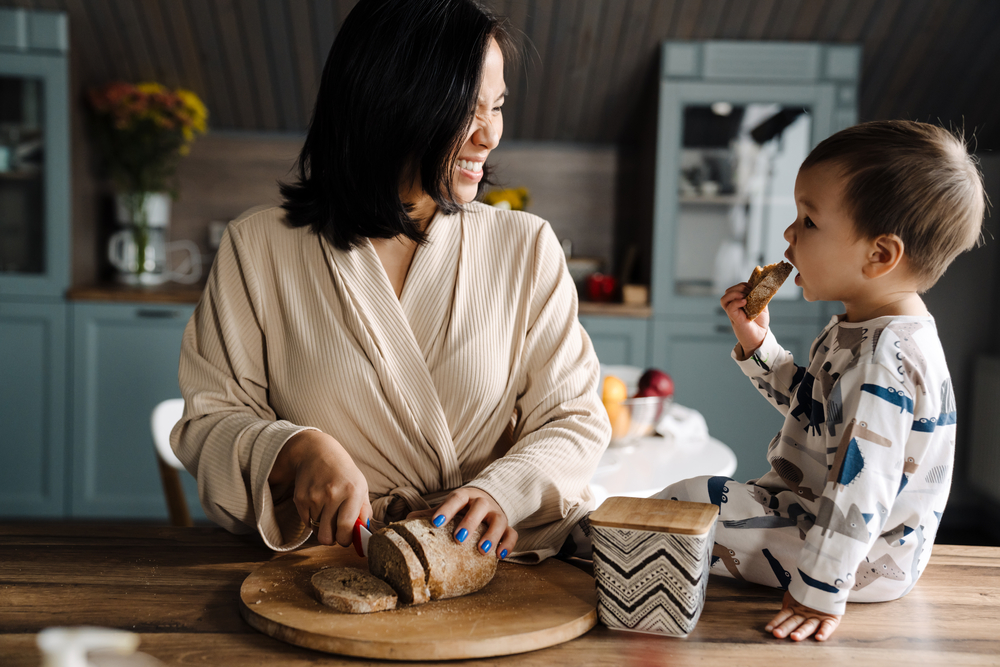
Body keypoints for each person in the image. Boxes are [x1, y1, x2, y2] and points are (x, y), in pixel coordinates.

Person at [170, 0, 609, 563]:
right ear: (390, 104)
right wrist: (295, 450)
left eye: (496, 107)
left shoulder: (525, 248)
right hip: (331, 563)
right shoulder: (257, 249)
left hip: (484, 563)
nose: (490, 135)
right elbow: (209, 423)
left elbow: (573, 418)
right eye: (466, 109)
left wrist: (498, 491)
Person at [652, 120, 985, 641]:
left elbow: (863, 488)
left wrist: (818, 592)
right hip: (830, 527)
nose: (789, 234)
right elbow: (815, 408)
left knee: (686, 502)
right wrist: (760, 347)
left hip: (856, 556)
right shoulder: (864, 330)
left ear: (880, 255)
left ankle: (584, 550)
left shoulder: (884, 361)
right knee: (692, 500)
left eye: (808, 221)